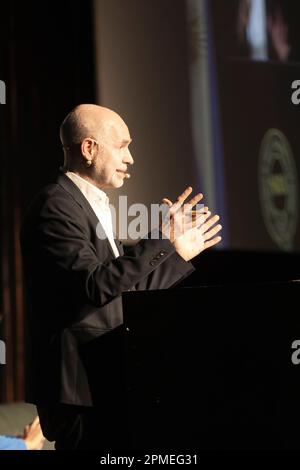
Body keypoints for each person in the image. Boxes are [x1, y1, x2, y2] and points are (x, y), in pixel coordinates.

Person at [20, 104, 222, 450]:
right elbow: (94, 285)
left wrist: (176, 255)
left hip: (108, 383)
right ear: (89, 148)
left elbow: (121, 294)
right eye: (123, 145)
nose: (130, 159)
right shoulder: (55, 205)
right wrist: (162, 240)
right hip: (81, 390)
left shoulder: (87, 205)